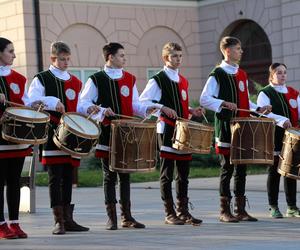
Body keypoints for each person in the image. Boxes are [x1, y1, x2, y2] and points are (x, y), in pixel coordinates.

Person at [77, 42, 154, 230]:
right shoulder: (95, 79)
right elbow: (82, 103)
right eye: (121, 55)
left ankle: (127, 217)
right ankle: (111, 218)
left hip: (127, 133)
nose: (124, 59)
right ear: (110, 57)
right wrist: (100, 110)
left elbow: (135, 104)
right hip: (107, 133)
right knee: (109, 176)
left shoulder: (130, 79)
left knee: (126, 176)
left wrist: (147, 109)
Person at [200, 36, 271, 223]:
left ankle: (240, 209)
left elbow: (245, 101)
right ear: (227, 51)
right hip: (226, 126)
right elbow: (204, 99)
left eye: (241, 48)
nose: (241, 51)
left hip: (243, 126)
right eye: (238, 48)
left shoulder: (242, 74)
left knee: (241, 169)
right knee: (227, 168)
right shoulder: (217, 73)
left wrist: (258, 109)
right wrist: (222, 102)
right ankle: (224, 210)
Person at [139, 42, 204, 226]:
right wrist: (162, 107)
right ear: (165, 58)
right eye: (174, 56)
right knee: (167, 173)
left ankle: (183, 211)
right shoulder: (157, 80)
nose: (178, 59)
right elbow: (143, 101)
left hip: (183, 130)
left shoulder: (183, 80)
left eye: (180, 56)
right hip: (166, 129)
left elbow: (180, 105)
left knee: (183, 173)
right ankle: (169, 213)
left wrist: (191, 110)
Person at [27, 41, 89, 235]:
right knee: (56, 176)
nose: (65, 63)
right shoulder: (42, 79)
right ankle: (58, 220)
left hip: (73, 134)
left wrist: (90, 109)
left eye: (68, 59)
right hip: (53, 131)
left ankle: (69, 219)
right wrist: (53, 102)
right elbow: (32, 102)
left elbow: (79, 106)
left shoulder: (76, 81)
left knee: (69, 176)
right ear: (52, 59)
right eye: (62, 59)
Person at [257, 63, 300, 218]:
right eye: (279, 73)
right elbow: (263, 114)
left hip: (292, 138)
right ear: (272, 75)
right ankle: (273, 206)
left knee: (291, 172)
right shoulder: (265, 93)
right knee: (274, 172)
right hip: (274, 137)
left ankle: (292, 207)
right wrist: (282, 120)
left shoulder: (294, 93)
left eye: (284, 73)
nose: (283, 75)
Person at [0, 37, 31, 239]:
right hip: (0, 140)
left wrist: (35, 106)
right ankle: (2, 225)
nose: (14, 55)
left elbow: (26, 103)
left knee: (14, 182)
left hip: (18, 140)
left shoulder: (20, 78)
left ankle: (15, 223)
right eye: (10, 51)